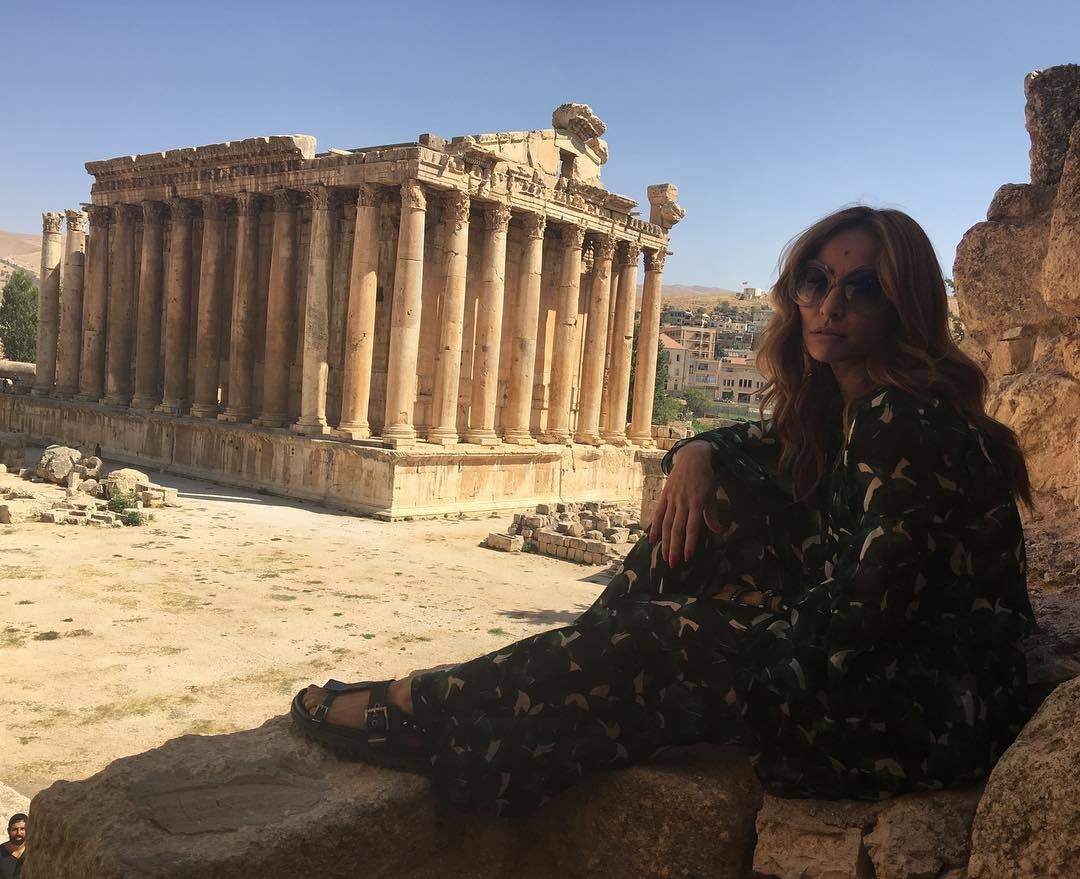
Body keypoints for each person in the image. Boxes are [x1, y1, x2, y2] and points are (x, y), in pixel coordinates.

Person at [292, 206, 1034, 817]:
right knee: (715, 511)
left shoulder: (901, 417)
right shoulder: (839, 406)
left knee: (656, 646)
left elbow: (857, 621)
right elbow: (755, 447)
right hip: (880, 676)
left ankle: (416, 703)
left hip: (926, 711)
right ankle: (485, 723)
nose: (830, 304)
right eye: (816, 280)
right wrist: (696, 453)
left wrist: (722, 621)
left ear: (904, 306)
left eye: (863, 288)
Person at [1, 814, 26, 879]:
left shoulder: (35, 853)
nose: (18, 833)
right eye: (15, 829)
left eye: (22, 829)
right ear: (8, 831)